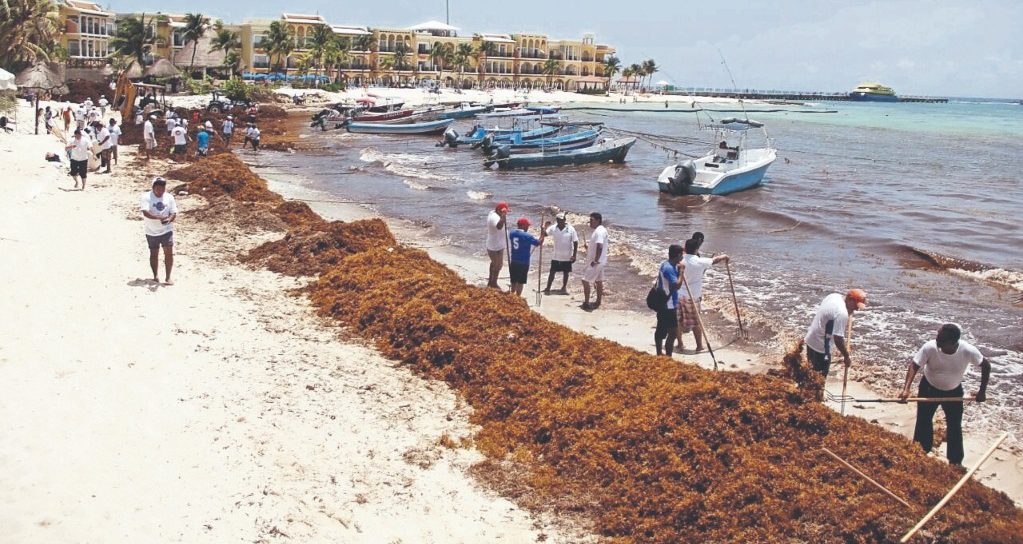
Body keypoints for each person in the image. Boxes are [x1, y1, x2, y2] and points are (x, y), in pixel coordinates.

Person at [899, 324, 990, 466]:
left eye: (941, 342)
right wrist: (906, 389)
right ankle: (920, 453)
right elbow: (914, 365)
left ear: (954, 343)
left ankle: (955, 462)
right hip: (928, 388)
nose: (937, 343)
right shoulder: (930, 347)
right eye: (937, 339)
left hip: (954, 391)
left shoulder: (967, 350)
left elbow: (986, 365)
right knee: (923, 421)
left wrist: (982, 391)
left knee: (954, 426)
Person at [677, 238, 729, 351]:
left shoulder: (679, 259)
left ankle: (680, 343)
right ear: (697, 249)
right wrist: (724, 256)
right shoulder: (699, 261)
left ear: (685, 248)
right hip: (693, 296)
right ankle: (699, 346)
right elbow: (714, 260)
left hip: (678, 294)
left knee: (678, 320)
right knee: (696, 322)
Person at [804, 289, 867, 377]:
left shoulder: (834, 296)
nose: (857, 309)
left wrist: (848, 311)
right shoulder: (842, 313)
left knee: (811, 374)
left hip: (811, 338)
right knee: (819, 380)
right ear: (850, 299)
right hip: (821, 348)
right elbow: (838, 339)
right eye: (856, 305)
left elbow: (830, 315)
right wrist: (846, 356)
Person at [141, 177, 178, 285]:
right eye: (158, 189)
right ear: (153, 188)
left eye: (162, 189)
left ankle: (168, 277)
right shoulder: (146, 197)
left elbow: (174, 213)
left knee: (169, 253)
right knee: (154, 253)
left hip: (166, 230)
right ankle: (155, 276)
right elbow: (145, 212)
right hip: (151, 231)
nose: (160, 191)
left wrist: (168, 220)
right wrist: (159, 218)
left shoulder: (169, 197)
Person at [655, 244, 685, 356]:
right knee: (672, 332)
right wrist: (681, 272)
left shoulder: (665, 264)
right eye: (681, 255)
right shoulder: (669, 268)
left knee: (661, 330)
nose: (682, 258)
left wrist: (678, 270)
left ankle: (659, 353)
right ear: (677, 255)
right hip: (669, 305)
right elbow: (676, 285)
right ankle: (668, 356)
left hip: (663, 302)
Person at [508, 217, 546, 296]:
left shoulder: (512, 233)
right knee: (521, 281)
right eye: (527, 225)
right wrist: (543, 232)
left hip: (514, 260)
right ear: (523, 225)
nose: (528, 227)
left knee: (514, 280)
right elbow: (539, 243)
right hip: (523, 262)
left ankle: (512, 294)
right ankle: (518, 296)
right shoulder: (527, 236)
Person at [543, 212, 579, 294]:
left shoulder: (571, 229)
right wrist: (545, 226)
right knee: (552, 272)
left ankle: (563, 287)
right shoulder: (553, 228)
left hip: (567, 256)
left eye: (562, 220)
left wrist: (574, 255)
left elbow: (576, 242)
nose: (561, 222)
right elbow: (544, 234)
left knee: (566, 273)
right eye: (559, 220)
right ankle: (548, 287)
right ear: (557, 220)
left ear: (565, 220)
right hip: (556, 256)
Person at [581, 212, 608, 311]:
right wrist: (589, 248)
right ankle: (598, 301)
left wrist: (595, 260)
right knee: (599, 281)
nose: (590, 222)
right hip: (601, 261)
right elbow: (598, 246)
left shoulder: (599, 231)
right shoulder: (601, 230)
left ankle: (587, 303)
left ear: (598, 220)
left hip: (597, 262)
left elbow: (600, 246)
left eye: (592, 220)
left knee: (585, 280)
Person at [485, 202, 510, 288]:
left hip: (497, 244)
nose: (506, 214)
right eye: (505, 212)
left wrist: (502, 214)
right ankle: (493, 283)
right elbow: (499, 226)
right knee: (498, 266)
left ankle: (490, 281)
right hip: (494, 247)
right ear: (499, 211)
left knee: (494, 264)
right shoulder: (494, 217)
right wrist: (503, 215)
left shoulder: (494, 213)